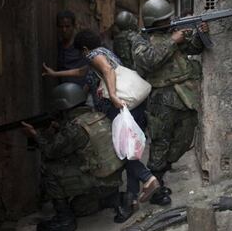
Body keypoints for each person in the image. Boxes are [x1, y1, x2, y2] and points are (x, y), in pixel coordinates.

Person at [42, 29, 159, 220]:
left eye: (81, 52)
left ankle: (148, 178)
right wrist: (55, 73)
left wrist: (112, 95)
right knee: (128, 150)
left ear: (85, 49)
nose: (82, 55)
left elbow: (107, 70)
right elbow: (81, 71)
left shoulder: (95, 55)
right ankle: (132, 197)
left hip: (118, 107)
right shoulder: (104, 52)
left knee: (122, 150)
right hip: (131, 105)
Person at [131, 0, 209, 205]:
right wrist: (173, 40)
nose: (169, 21)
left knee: (184, 139)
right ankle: (156, 187)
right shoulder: (140, 40)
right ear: (152, 22)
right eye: (163, 19)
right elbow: (148, 61)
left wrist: (200, 34)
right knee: (160, 142)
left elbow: (193, 49)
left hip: (184, 95)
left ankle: (161, 173)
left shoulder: (171, 34)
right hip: (160, 99)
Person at [21, 83, 125, 231]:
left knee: (49, 169)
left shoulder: (75, 128)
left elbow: (51, 151)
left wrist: (35, 135)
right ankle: (112, 198)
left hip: (98, 178)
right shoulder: (97, 115)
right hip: (113, 176)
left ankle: (64, 220)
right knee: (79, 208)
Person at [56, 10, 87, 88]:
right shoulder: (58, 46)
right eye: (61, 27)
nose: (64, 30)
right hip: (63, 90)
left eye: (67, 26)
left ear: (73, 26)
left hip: (80, 91)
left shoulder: (82, 44)